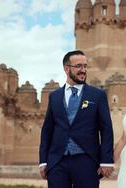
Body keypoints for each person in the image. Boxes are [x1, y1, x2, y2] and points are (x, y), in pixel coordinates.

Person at [39, 50, 114, 188]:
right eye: (79, 66)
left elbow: (106, 129)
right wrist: (43, 161)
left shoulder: (97, 95)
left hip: (87, 160)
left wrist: (106, 161)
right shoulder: (54, 96)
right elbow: (47, 130)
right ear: (66, 69)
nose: (83, 70)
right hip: (57, 161)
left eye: (85, 66)